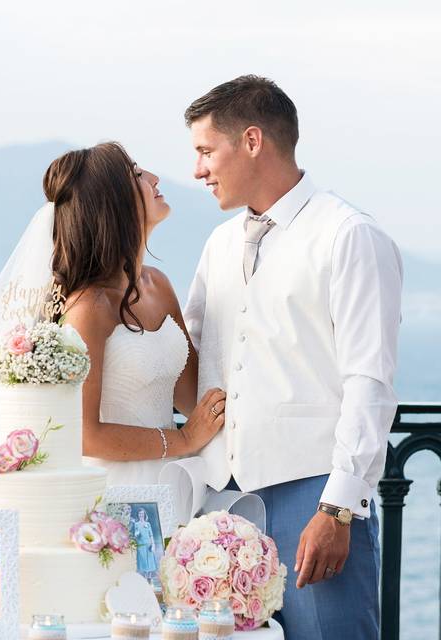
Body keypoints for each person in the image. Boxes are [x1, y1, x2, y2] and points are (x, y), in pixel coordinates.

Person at [183, 75, 402, 639]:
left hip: (314, 497)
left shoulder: (348, 235)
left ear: (252, 141)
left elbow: (368, 381)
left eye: (207, 151)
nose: (198, 170)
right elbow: (193, 357)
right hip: (219, 502)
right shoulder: (220, 245)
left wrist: (339, 508)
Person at [0, 142, 226, 506]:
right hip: (112, 491)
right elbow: (84, 434)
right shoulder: (89, 307)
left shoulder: (159, 285)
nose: (153, 177)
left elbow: (189, 396)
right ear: (112, 203)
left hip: (172, 480)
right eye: (136, 174)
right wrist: (183, 441)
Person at [132, 508, 158, 580]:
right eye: (140, 514)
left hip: (148, 544)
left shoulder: (148, 524)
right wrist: (136, 534)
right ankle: (144, 577)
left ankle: (149, 577)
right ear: (138, 515)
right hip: (141, 545)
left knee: (150, 561)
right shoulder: (136, 524)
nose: (141, 515)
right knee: (143, 561)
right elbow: (135, 535)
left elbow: (151, 535)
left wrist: (153, 544)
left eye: (142, 514)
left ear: (144, 514)